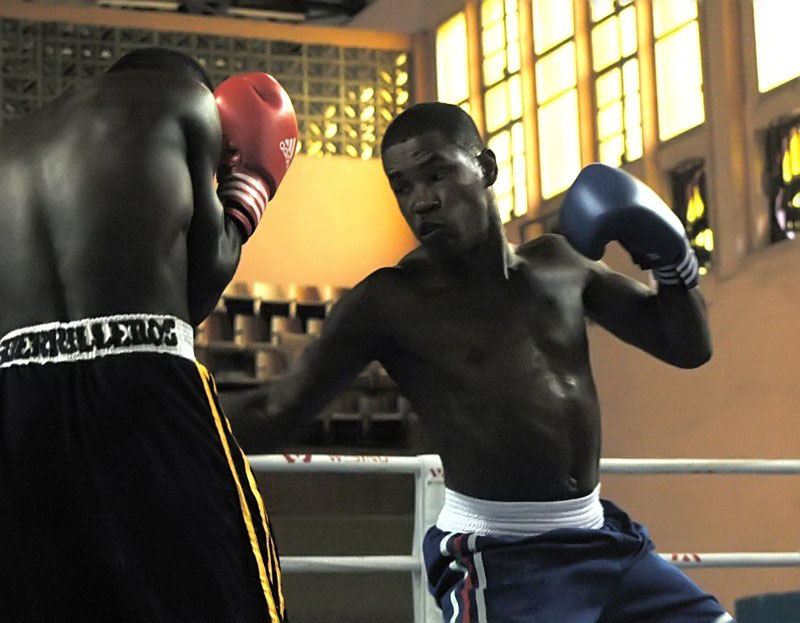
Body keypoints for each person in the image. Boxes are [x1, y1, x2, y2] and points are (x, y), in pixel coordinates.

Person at [226, 102, 734, 622]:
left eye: (437, 173)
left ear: (485, 169)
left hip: (601, 539)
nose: (421, 201)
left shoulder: (560, 264)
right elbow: (277, 409)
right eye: (403, 187)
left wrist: (674, 265)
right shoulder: (391, 300)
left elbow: (687, 347)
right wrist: (164, 419)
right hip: (502, 558)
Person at [0, 47, 297, 622]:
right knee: (222, 596)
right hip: (139, 380)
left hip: (14, 398)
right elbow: (199, 288)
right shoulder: (184, 102)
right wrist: (248, 189)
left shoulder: (12, 141)